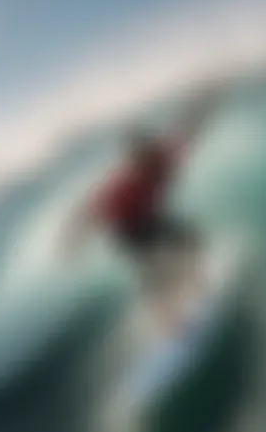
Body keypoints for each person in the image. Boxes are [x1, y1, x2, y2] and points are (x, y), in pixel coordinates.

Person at [62, 83, 222, 334]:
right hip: (127, 230)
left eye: (146, 158)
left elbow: (189, 126)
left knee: (191, 240)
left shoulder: (165, 155)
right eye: (139, 160)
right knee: (155, 270)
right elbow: (90, 210)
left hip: (149, 218)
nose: (145, 165)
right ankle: (171, 323)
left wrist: (205, 98)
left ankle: (198, 287)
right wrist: (74, 239)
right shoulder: (125, 183)